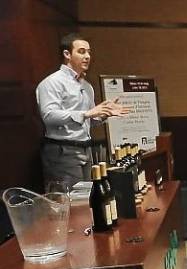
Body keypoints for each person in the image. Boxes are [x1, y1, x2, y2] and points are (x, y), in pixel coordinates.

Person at [36, 33, 129, 186]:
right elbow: (49, 116)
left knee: (86, 199)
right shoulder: (52, 82)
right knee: (71, 201)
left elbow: (88, 121)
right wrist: (86, 113)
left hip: (86, 150)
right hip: (62, 152)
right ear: (67, 54)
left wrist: (105, 114)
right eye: (81, 51)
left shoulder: (86, 86)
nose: (87, 56)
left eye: (89, 52)